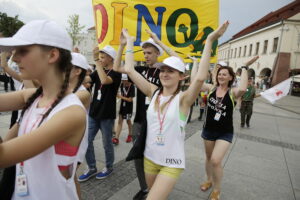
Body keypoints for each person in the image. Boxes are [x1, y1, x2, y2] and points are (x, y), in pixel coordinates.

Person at [122, 21, 229, 200]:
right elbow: (130, 70)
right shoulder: (152, 91)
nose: (164, 73)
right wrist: (129, 42)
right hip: (149, 158)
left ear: (181, 76)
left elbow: (201, 77)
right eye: (163, 70)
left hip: (171, 163)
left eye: (171, 71)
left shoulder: (184, 99)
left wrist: (210, 40)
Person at [0, 20, 87, 200]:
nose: (15, 57)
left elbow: (3, 156)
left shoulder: (71, 112)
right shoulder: (32, 96)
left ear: (52, 55)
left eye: (23, 50)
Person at [113, 29, 180, 200]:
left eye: (149, 52)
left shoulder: (166, 72)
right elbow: (117, 67)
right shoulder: (141, 70)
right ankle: (145, 188)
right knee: (138, 156)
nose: (146, 55)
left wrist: (158, 41)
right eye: (144, 52)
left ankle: (158, 189)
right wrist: (122, 45)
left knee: (157, 156)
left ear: (158, 53)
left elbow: (179, 62)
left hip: (159, 123)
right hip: (140, 120)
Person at [198, 56, 258, 200]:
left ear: (231, 77)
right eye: (219, 73)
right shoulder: (211, 88)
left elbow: (243, 88)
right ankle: (209, 180)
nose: (221, 76)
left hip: (224, 132)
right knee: (208, 158)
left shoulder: (233, 92)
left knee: (215, 160)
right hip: (208, 130)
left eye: (225, 74)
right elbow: (198, 81)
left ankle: (217, 189)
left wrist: (244, 66)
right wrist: (197, 63)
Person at [78, 45, 121, 182]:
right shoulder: (98, 71)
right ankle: (92, 167)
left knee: (106, 143)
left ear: (111, 58)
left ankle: (109, 167)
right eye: (100, 57)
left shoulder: (116, 72)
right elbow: (87, 80)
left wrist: (96, 60)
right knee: (86, 140)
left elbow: (104, 81)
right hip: (93, 112)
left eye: (103, 57)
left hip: (106, 115)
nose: (100, 59)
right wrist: (76, 67)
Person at [113, 74, 135, 145]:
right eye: (122, 80)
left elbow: (130, 100)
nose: (122, 81)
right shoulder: (122, 85)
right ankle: (116, 138)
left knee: (128, 121)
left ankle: (130, 135)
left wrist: (120, 97)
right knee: (120, 121)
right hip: (122, 106)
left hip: (128, 107)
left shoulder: (132, 87)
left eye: (124, 80)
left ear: (127, 79)